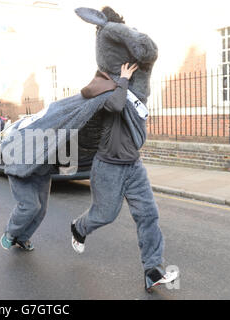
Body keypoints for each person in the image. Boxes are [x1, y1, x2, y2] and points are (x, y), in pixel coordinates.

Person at [71, 6, 177, 292]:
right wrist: (123, 80)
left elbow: (136, 109)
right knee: (105, 215)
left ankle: (152, 269)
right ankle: (80, 227)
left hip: (133, 165)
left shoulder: (134, 88)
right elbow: (116, 105)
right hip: (108, 165)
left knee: (148, 215)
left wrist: (133, 80)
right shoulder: (98, 86)